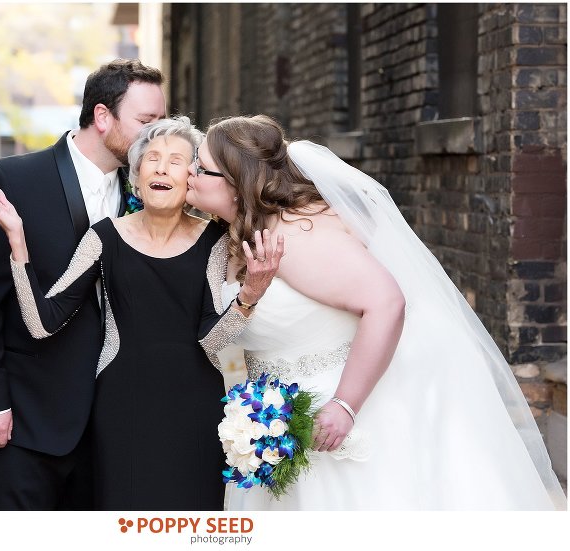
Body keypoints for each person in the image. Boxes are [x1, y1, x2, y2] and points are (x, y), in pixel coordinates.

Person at [185, 114, 567, 510]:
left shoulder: (292, 238)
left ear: (237, 183)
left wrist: (345, 405)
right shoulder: (233, 240)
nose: (190, 171)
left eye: (201, 166)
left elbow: (387, 302)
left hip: (338, 418)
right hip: (275, 422)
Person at [0, 116, 283, 510]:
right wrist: (17, 242)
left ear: (191, 178)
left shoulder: (215, 240)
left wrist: (249, 296)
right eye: (152, 158)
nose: (161, 168)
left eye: (176, 161)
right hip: (120, 407)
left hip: (195, 409)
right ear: (137, 176)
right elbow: (42, 322)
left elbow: (211, 339)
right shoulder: (103, 236)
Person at [0, 59, 166, 510]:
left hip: (110, 424)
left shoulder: (147, 193)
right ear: (102, 116)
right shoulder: (13, 180)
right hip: (24, 417)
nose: (157, 137)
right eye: (147, 122)